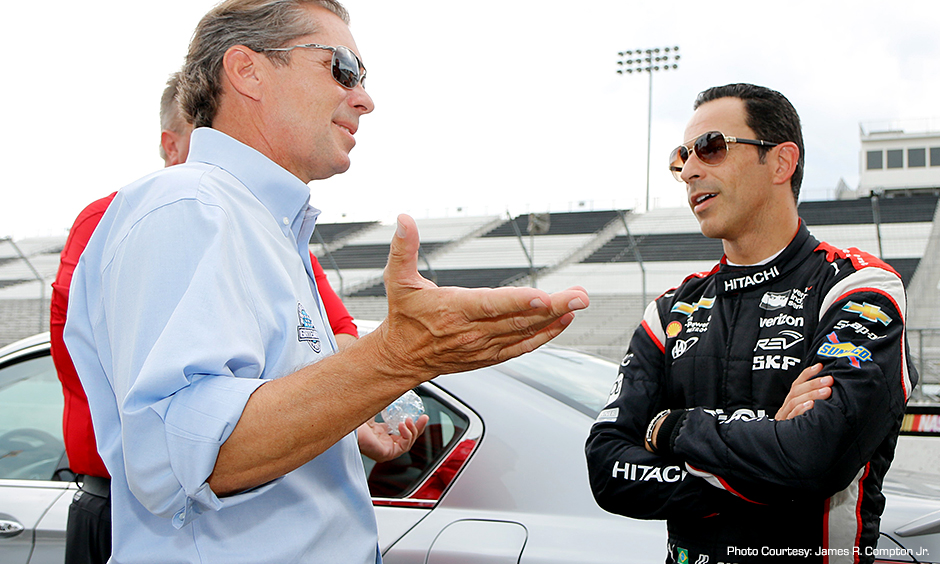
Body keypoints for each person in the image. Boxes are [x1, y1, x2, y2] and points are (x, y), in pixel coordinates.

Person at [62, 1, 588, 563]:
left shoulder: (260, 226)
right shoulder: (188, 206)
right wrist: (399, 358)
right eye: (342, 67)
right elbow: (181, 460)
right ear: (247, 71)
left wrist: (362, 399)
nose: (364, 97)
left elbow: (245, 416)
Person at [52, 69, 431, 564]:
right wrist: (400, 357)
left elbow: (320, 349)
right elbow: (180, 445)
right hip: (142, 508)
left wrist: (346, 416)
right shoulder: (166, 210)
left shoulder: (277, 230)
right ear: (175, 144)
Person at [585, 83, 917, 563]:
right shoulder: (669, 310)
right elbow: (608, 470)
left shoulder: (859, 287)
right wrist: (769, 462)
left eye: (712, 147)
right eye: (682, 157)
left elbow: (816, 458)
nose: (690, 170)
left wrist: (671, 429)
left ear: (781, 162)